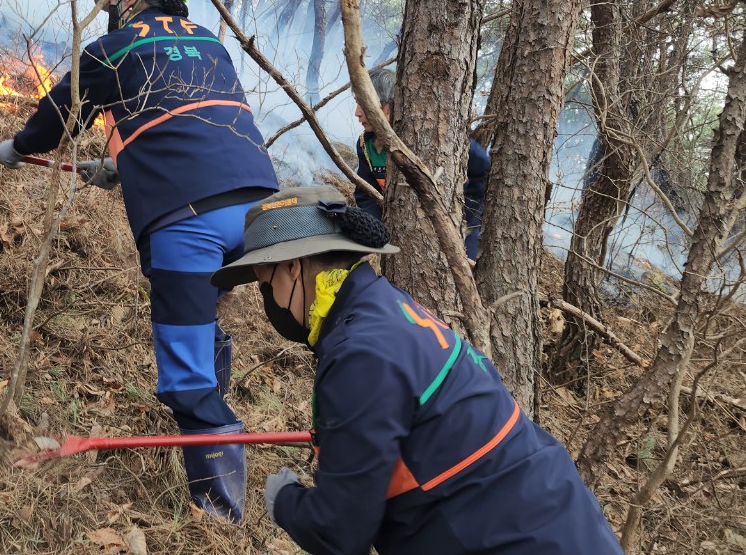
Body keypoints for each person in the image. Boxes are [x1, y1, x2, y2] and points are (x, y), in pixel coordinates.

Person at [0, 0, 277, 522]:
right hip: (258, 211)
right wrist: (123, 170)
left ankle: (220, 515)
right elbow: (195, 121)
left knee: (184, 370)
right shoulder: (210, 44)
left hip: (186, 223)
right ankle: (213, 397)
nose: (110, 16)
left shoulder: (113, 49)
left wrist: (17, 147)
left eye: (112, 5)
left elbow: (54, 120)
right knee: (204, 316)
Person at [211, 186, 624, 554]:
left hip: (506, 535)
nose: (267, 296)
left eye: (266, 280)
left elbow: (338, 533)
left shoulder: (360, 353)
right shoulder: (385, 306)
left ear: (293, 267)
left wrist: (285, 499)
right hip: (552, 514)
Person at [353, 68, 490, 259]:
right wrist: (377, 233)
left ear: (388, 106)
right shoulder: (366, 145)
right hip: (401, 236)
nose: (356, 113)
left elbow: (483, 168)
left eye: (363, 104)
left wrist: (469, 221)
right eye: (356, 103)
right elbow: (366, 194)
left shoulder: (436, 135)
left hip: (454, 231)